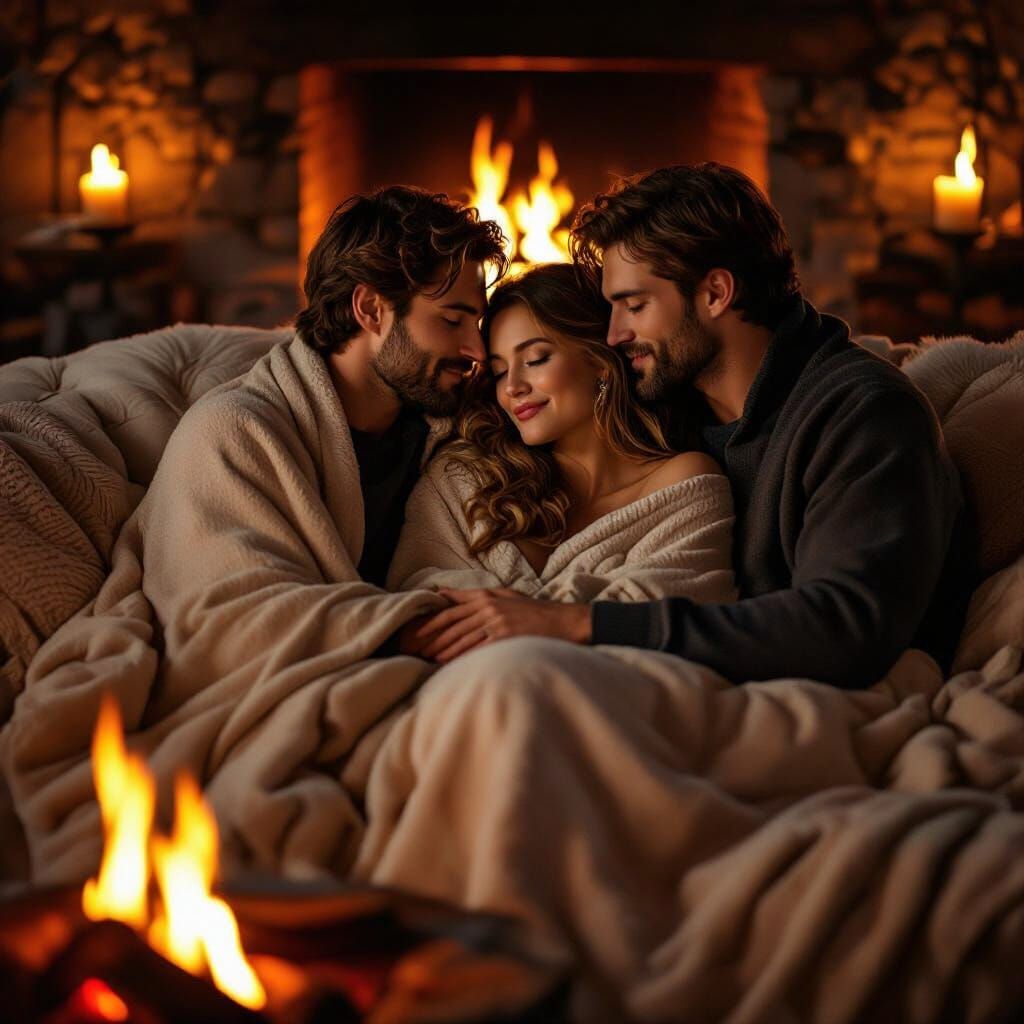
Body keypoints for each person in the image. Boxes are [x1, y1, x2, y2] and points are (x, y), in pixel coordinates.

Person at [406, 164, 969, 688]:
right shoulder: (674, 404)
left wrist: (578, 623)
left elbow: (844, 629)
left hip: (817, 693)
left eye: (634, 306)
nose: (614, 335)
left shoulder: (863, 414)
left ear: (716, 293)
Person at [388, 262, 736, 658]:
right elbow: (413, 603)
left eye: (536, 359)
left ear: (600, 361)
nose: (513, 387)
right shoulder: (465, 476)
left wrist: (530, 616)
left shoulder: (683, 482)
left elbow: (682, 613)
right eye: (499, 372)